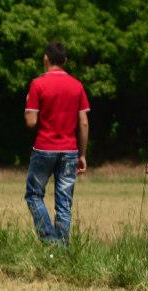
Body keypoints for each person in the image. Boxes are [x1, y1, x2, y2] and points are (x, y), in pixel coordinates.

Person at [23, 41, 90, 244]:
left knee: (34, 195)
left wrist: (28, 102)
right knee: (64, 203)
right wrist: (82, 155)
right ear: (65, 61)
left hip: (44, 148)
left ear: (45, 58)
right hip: (70, 151)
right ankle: (62, 248)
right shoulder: (77, 85)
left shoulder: (37, 84)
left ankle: (51, 241)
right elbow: (84, 123)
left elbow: (31, 122)